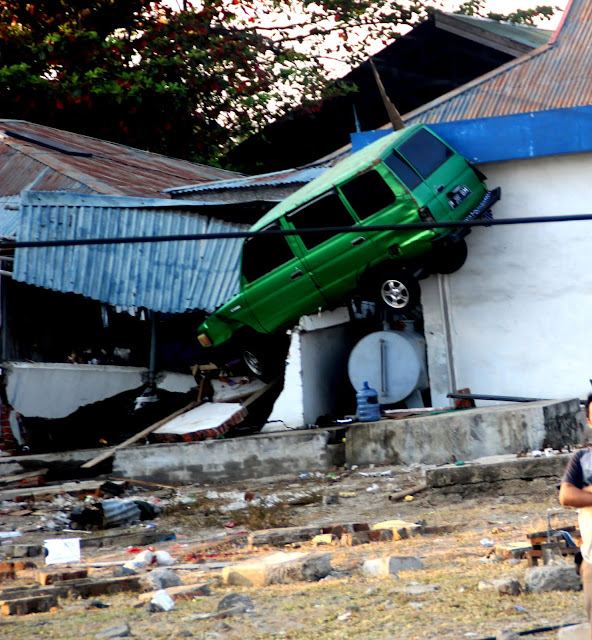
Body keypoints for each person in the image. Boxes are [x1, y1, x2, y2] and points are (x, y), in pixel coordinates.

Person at [559, 392, 592, 637]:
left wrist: (587, 492)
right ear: (590, 422)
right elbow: (567, 496)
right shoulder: (582, 459)